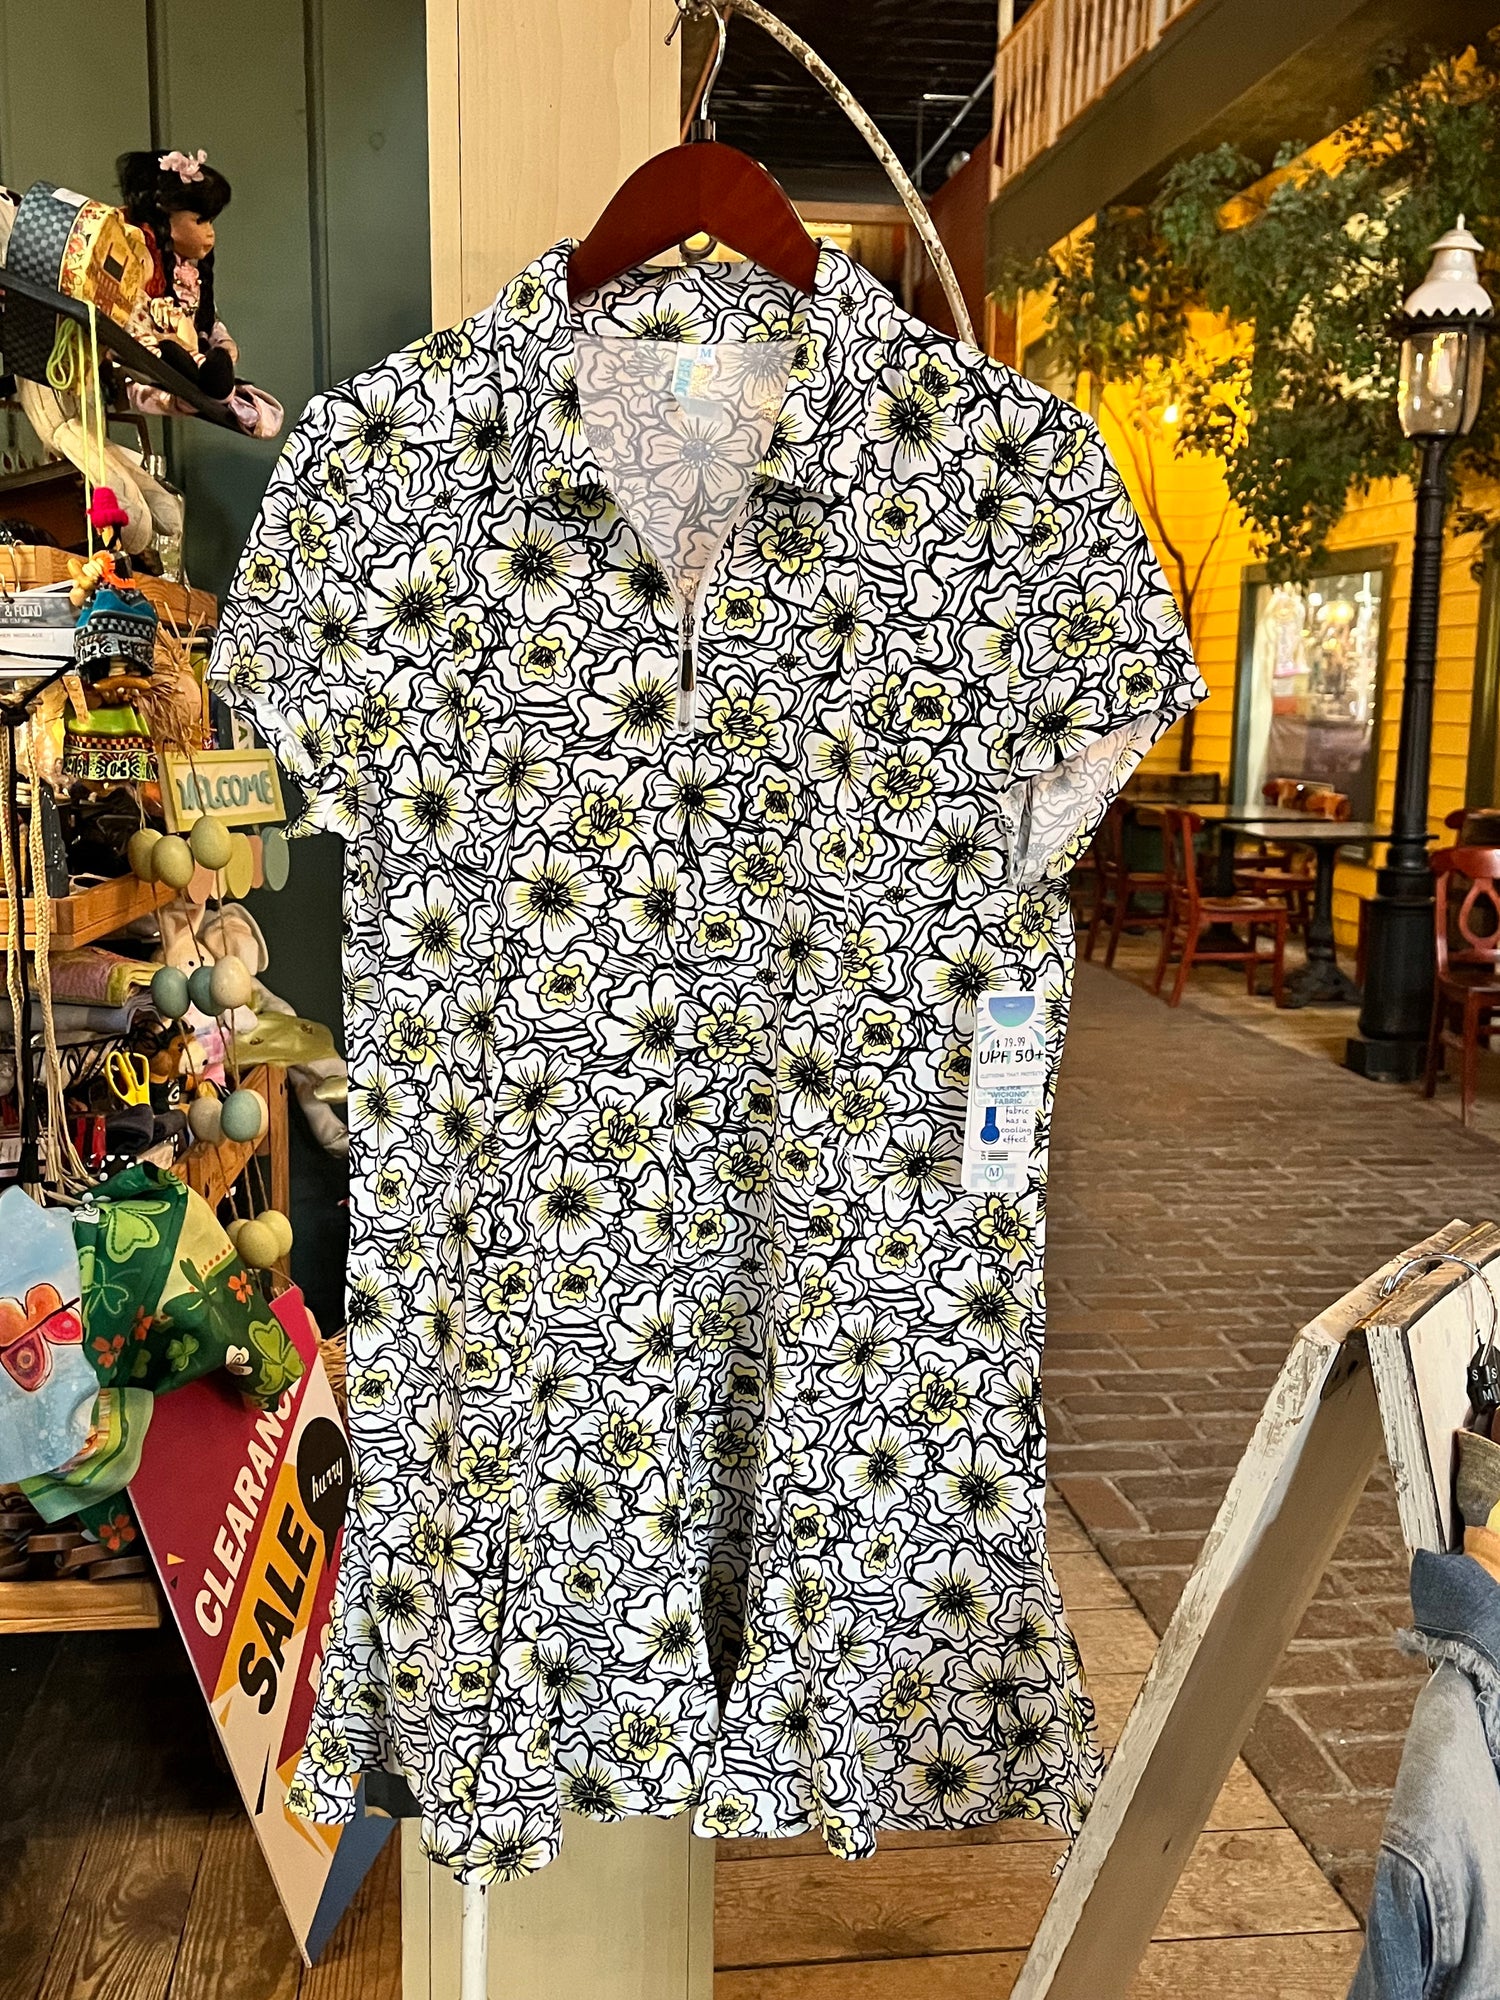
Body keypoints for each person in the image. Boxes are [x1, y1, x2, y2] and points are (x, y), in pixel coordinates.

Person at [115, 148, 236, 399]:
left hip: (192, 358)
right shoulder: (143, 263)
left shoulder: (191, 273)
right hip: (149, 361)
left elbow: (208, 319)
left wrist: (223, 344)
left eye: (211, 222)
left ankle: (206, 374)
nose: (210, 232)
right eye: (200, 221)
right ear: (164, 217)